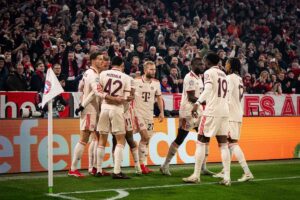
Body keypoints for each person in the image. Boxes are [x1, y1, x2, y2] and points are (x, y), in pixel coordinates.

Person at [183, 52, 231, 186]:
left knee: (201, 141)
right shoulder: (224, 74)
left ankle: (196, 175)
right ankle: (227, 177)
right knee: (223, 144)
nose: (203, 64)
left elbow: (208, 88)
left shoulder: (209, 72)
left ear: (209, 62)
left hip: (211, 111)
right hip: (224, 111)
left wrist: (197, 103)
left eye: (204, 61)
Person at [160, 58, 213, 176]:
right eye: (199, 64)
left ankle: (203, 166)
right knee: (180, 138)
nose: (202, 66)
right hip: (187, 112)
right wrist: (207, 102)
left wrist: (203, 103)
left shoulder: (199, 78)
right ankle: (165, 165)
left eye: (203, 64)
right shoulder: (189, 77)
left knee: (205, 137)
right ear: (192, 65)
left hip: (198, 111)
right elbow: (191, 97)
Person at [68, 52, 111, 177]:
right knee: (84, 138)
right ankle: (73, 168)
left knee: (96, 138)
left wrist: (82, 101)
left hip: (94, 109)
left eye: (102, 59)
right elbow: (96, 92)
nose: (101, 61)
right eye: (99, 59)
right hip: (89, 110)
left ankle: (93, 168)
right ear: (92, 60)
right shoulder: (93, 74)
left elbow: (81, 87)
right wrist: (110, 98)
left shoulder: (90, 73)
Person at [213, 58, 254, 182]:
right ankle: (225, 170)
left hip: (230, 115)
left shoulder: (229, 78)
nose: (225, 65)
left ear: (231, 65)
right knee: (230, 143)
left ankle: (247, 172)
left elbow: (226, 97)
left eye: (226, 63)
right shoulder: (239, 78)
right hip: (238, 113)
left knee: (231, 144)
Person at [96, 56, 132, 179]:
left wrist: (108, 97)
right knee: (121, 140)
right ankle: (116, 171)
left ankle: (99, 169)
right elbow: (126, 98)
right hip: (117, 109)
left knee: (102, 139)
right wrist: (129, 97)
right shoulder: (126, 77)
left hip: (104, 107)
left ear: (112, 64)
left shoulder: (103, 73)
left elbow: (99, 92)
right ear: (121, 65)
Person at [133, 61, 164, 174]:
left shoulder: (156, 83)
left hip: (149, 114)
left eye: (154, 69)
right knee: (145, 137)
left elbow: (159, 98)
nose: (153, 71)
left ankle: (143, 164)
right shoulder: (136, 81)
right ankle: (140, 164)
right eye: (151, 69)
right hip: (137, 113)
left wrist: (161, 112)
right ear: (145, 70)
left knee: (147, 140)